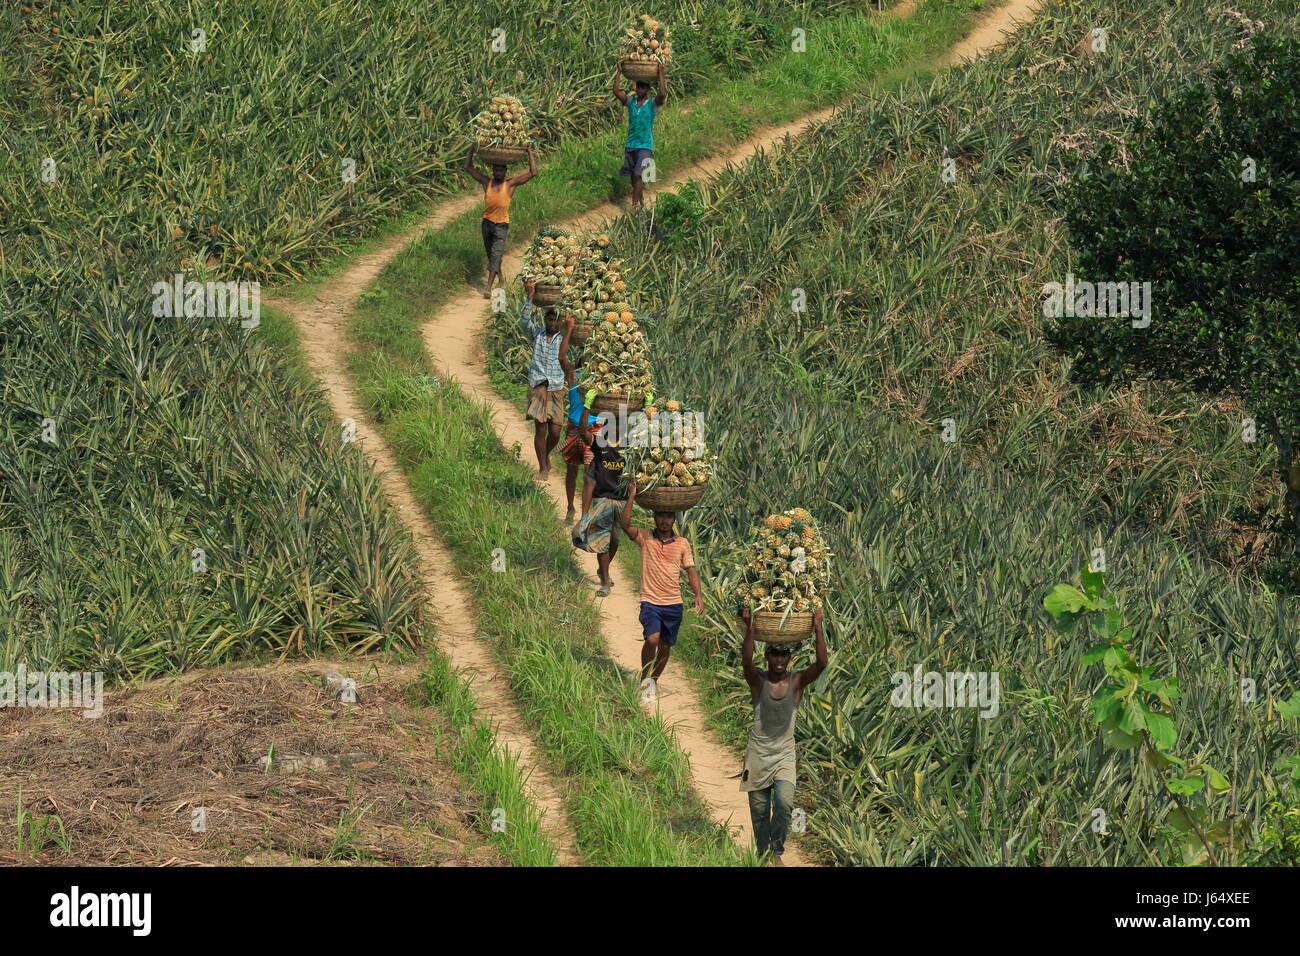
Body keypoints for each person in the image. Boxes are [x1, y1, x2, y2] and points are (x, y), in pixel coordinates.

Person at [738, 606, 827, 866]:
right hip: (757, 756)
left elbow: (821, 663)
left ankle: (775, 850)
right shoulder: (758, 682)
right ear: (767, 656)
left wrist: (818, 626)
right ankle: (764, 855)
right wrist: (750, 627)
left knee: (785, 803)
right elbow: (746, 661)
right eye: (774, 654)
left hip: (784, 756)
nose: (779, 659)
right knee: (759, 813)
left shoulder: (796, 682)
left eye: (783, 655)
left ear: (789, 658)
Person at [618, 482, 703, 703]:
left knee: (665, 648)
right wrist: (631, 496)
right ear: (654, 518)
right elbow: (625, 524)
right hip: (650, 601)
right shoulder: (645, 538)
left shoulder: (682, 543)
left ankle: (652, 681)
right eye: (661, 516)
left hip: (673, 604)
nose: (665, 521)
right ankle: (644, 677)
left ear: (674, 519)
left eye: (669, 517)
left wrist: (698, 595)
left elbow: (691, 570)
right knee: (652, 638)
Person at [463, 144, 537, 298]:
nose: (498, 172)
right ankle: (500, 278)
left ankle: (488, 288)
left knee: (496, 254)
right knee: (491, 255)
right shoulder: (486, 182)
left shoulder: (510, 185)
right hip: (487, 223)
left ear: (505, 171)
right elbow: (468, 167)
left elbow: (533, 173)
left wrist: (529, 152)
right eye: (496, 170)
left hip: (501, 225)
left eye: (501, 170)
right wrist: (472, 147)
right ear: (493, 171)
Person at [519, 279, 573, 477]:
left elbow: (573, 358)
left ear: (559, 321)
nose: (551, 323)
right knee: (540, 429)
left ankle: (546, 456)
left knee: (556, 432)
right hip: (538, 385)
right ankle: (542, 467)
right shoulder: (537, 335)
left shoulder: (564, 339)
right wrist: (530, 298)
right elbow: (524, 322)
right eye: (549, 319)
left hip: (556, 387)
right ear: (545, 320)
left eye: (554, 320)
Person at [572, 412, 625, 597]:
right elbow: (583, 431)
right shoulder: (599, 444)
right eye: (612, 425)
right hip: (602, 498)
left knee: (614, 541)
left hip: (622, 499)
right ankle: (604, 582)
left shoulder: (629, 446)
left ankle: (603, 570)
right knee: (602, 541)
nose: (615, 428)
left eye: (619, 425)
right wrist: (586, 407)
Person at [612, 61, 666, 209]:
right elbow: (616, 91)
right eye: (638, 87)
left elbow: (662, 93)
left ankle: (634, 208)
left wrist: (661, 73)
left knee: (638, 175)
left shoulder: (651, 104)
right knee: (633, 179)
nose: (639, 90)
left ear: (648, 89)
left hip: (645, 146)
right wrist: (618, 72)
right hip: (631, 145)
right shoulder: (631, 102)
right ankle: (641, 205)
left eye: (642, 87)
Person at [559, 354, 594, 525]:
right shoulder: (574, 375)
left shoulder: (600, 380)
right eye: (585, 360)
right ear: (581, 362)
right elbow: (561, 357)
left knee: (589, 475)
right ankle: (570, 507)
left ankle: (585, 516)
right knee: (571, 471)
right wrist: (570, 329)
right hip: (574, 428)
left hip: (592, 429)